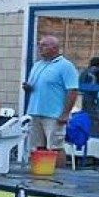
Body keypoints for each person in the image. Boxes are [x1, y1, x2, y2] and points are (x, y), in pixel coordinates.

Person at [23, 36, 79, 165]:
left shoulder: (65, 66)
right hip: (35, 111)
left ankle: (60, 176)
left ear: (54, 48)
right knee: (38, 146)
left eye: (44, 45)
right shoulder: (37, 65)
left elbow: (73, 90)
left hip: (54, 114)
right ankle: (42, 173)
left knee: (55, 146)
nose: (40, 48)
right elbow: (36, 86)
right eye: (39, 45)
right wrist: (28, 88)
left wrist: (65, 113)